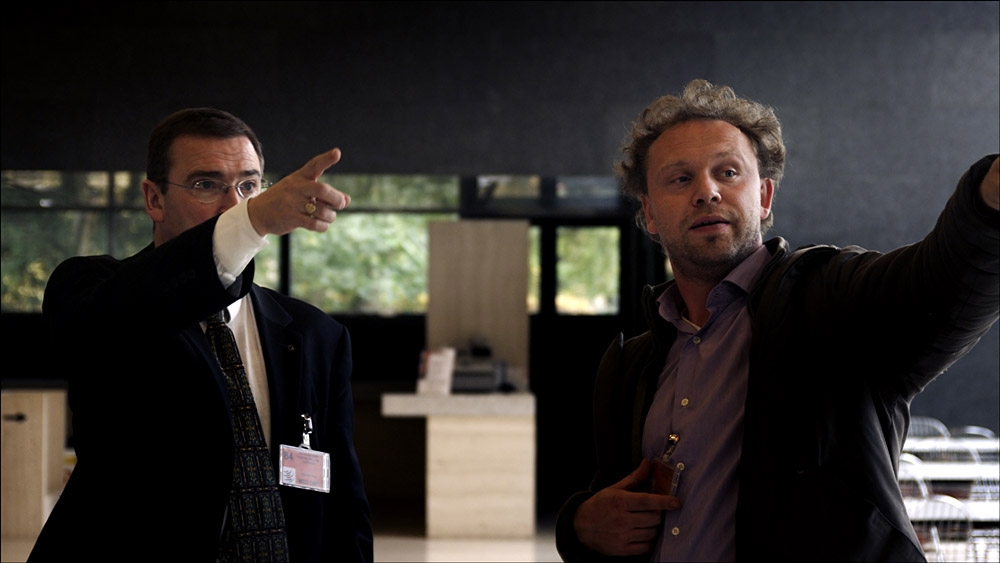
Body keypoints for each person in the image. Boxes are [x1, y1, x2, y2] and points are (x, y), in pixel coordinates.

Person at [555, 79, 999, 562]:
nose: (707, 192)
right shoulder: (629, 365)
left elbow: (942, 281)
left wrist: (990, 201)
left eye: (727, 172)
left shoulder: (832, 304)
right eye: (679, 179)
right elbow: (608, 502)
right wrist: (579, 525)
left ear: (764, 195)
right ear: (649, 214)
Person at [29, 108, 374, 562]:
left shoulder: (315, 334)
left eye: (249, 186)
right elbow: (133, 309)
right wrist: (251, 221)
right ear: (154, 199)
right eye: (206, 184)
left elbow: (342, 502)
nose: (235, 206)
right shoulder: (93, 291)